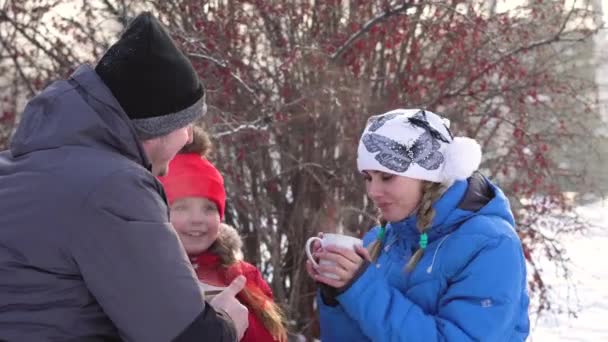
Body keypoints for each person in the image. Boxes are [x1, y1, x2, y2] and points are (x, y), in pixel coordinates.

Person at [0, 12, 247, 342]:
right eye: (185, 124)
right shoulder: (113, 186)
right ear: (157, 129)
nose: (189, 137)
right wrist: (227, 322)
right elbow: (186, 336)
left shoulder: (16, 169)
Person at [306, 108, 530, 341]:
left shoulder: (491, 246)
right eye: (368, 177)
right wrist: (338, 291)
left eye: (387, 176)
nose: (373, 191)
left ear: (428, 177)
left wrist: (361, 288)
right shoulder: (381, 240)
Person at [158, 128, 288, 342]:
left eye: (208, 208)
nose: (197, 219)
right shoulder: (143, 275)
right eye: (181, 207)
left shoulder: (245, 277)